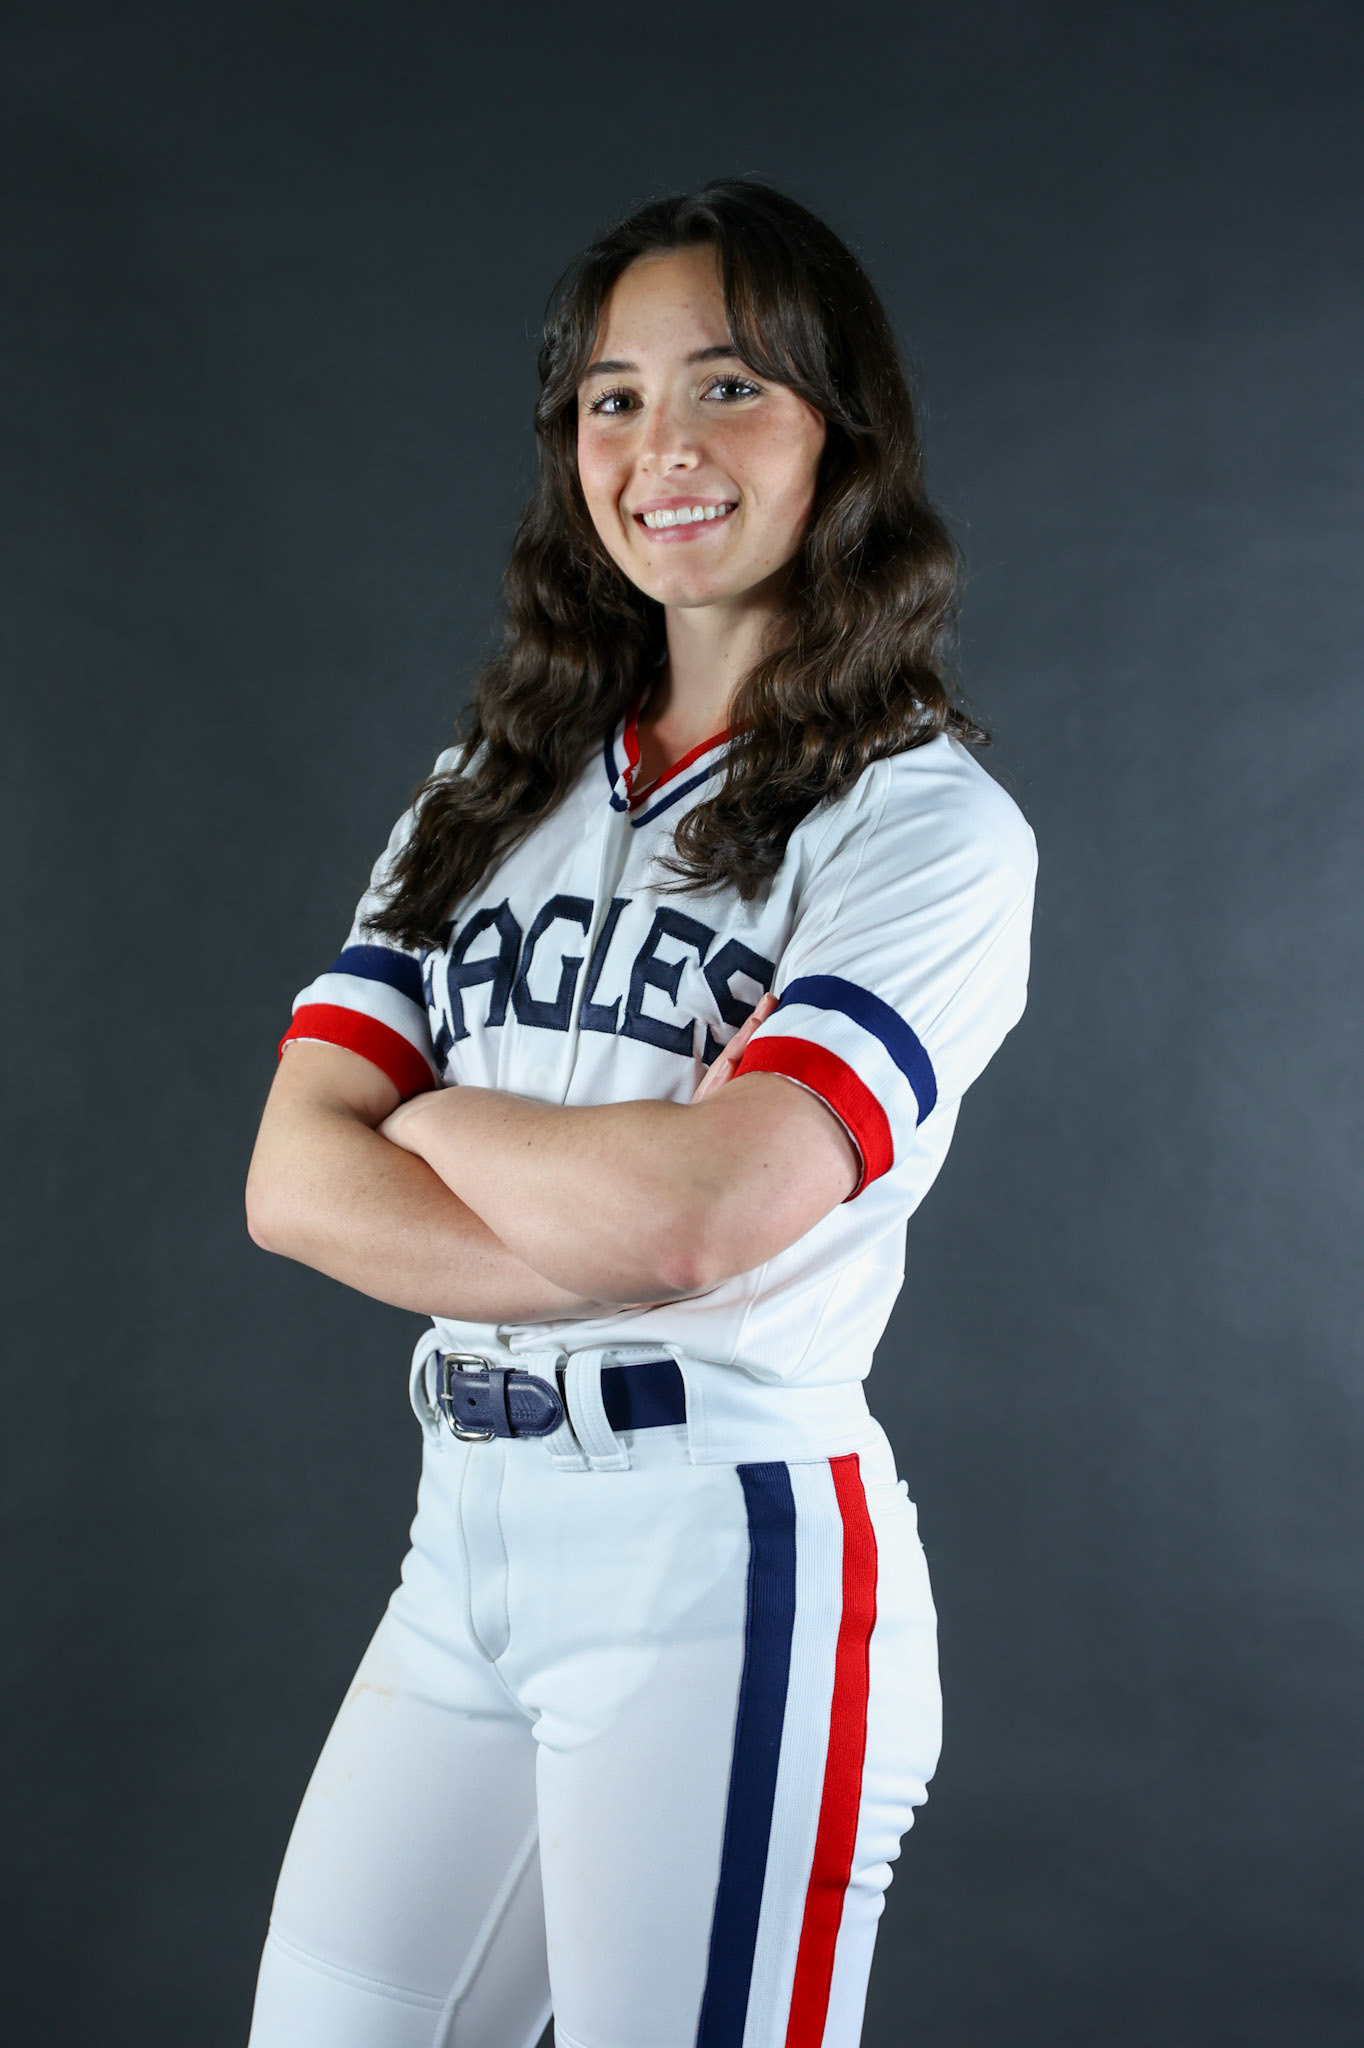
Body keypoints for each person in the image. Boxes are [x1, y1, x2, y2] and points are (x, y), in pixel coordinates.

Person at [242, 179, 1037, 2048]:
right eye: (612, 399)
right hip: (466, 1541)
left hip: (723, 1557)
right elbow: (290, 1177)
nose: (660, 448)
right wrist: (590, 1196)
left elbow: (706, 1217)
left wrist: (424, 1109)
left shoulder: (925, 827)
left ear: (844, 434)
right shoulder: (486, 789)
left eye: (730, 388)